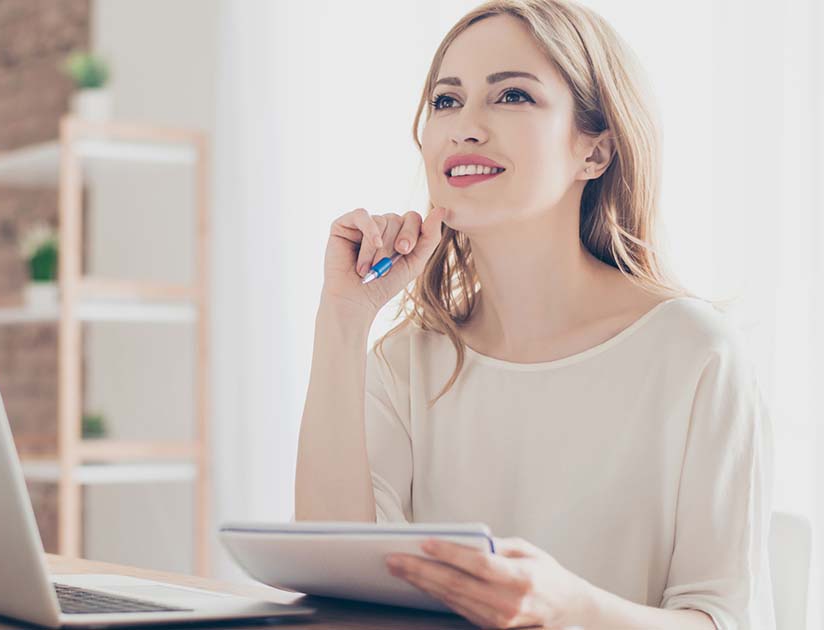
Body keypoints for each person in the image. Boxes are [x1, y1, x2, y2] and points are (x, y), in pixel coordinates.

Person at [292, 1, 775, 629]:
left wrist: (569, 609)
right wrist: (344, 317)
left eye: (512, 96)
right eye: (446, 101)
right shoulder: (406, 361)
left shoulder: (695, 353)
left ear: (594, 153)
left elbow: (727, 619)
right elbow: (338, 582)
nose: (464, 127)